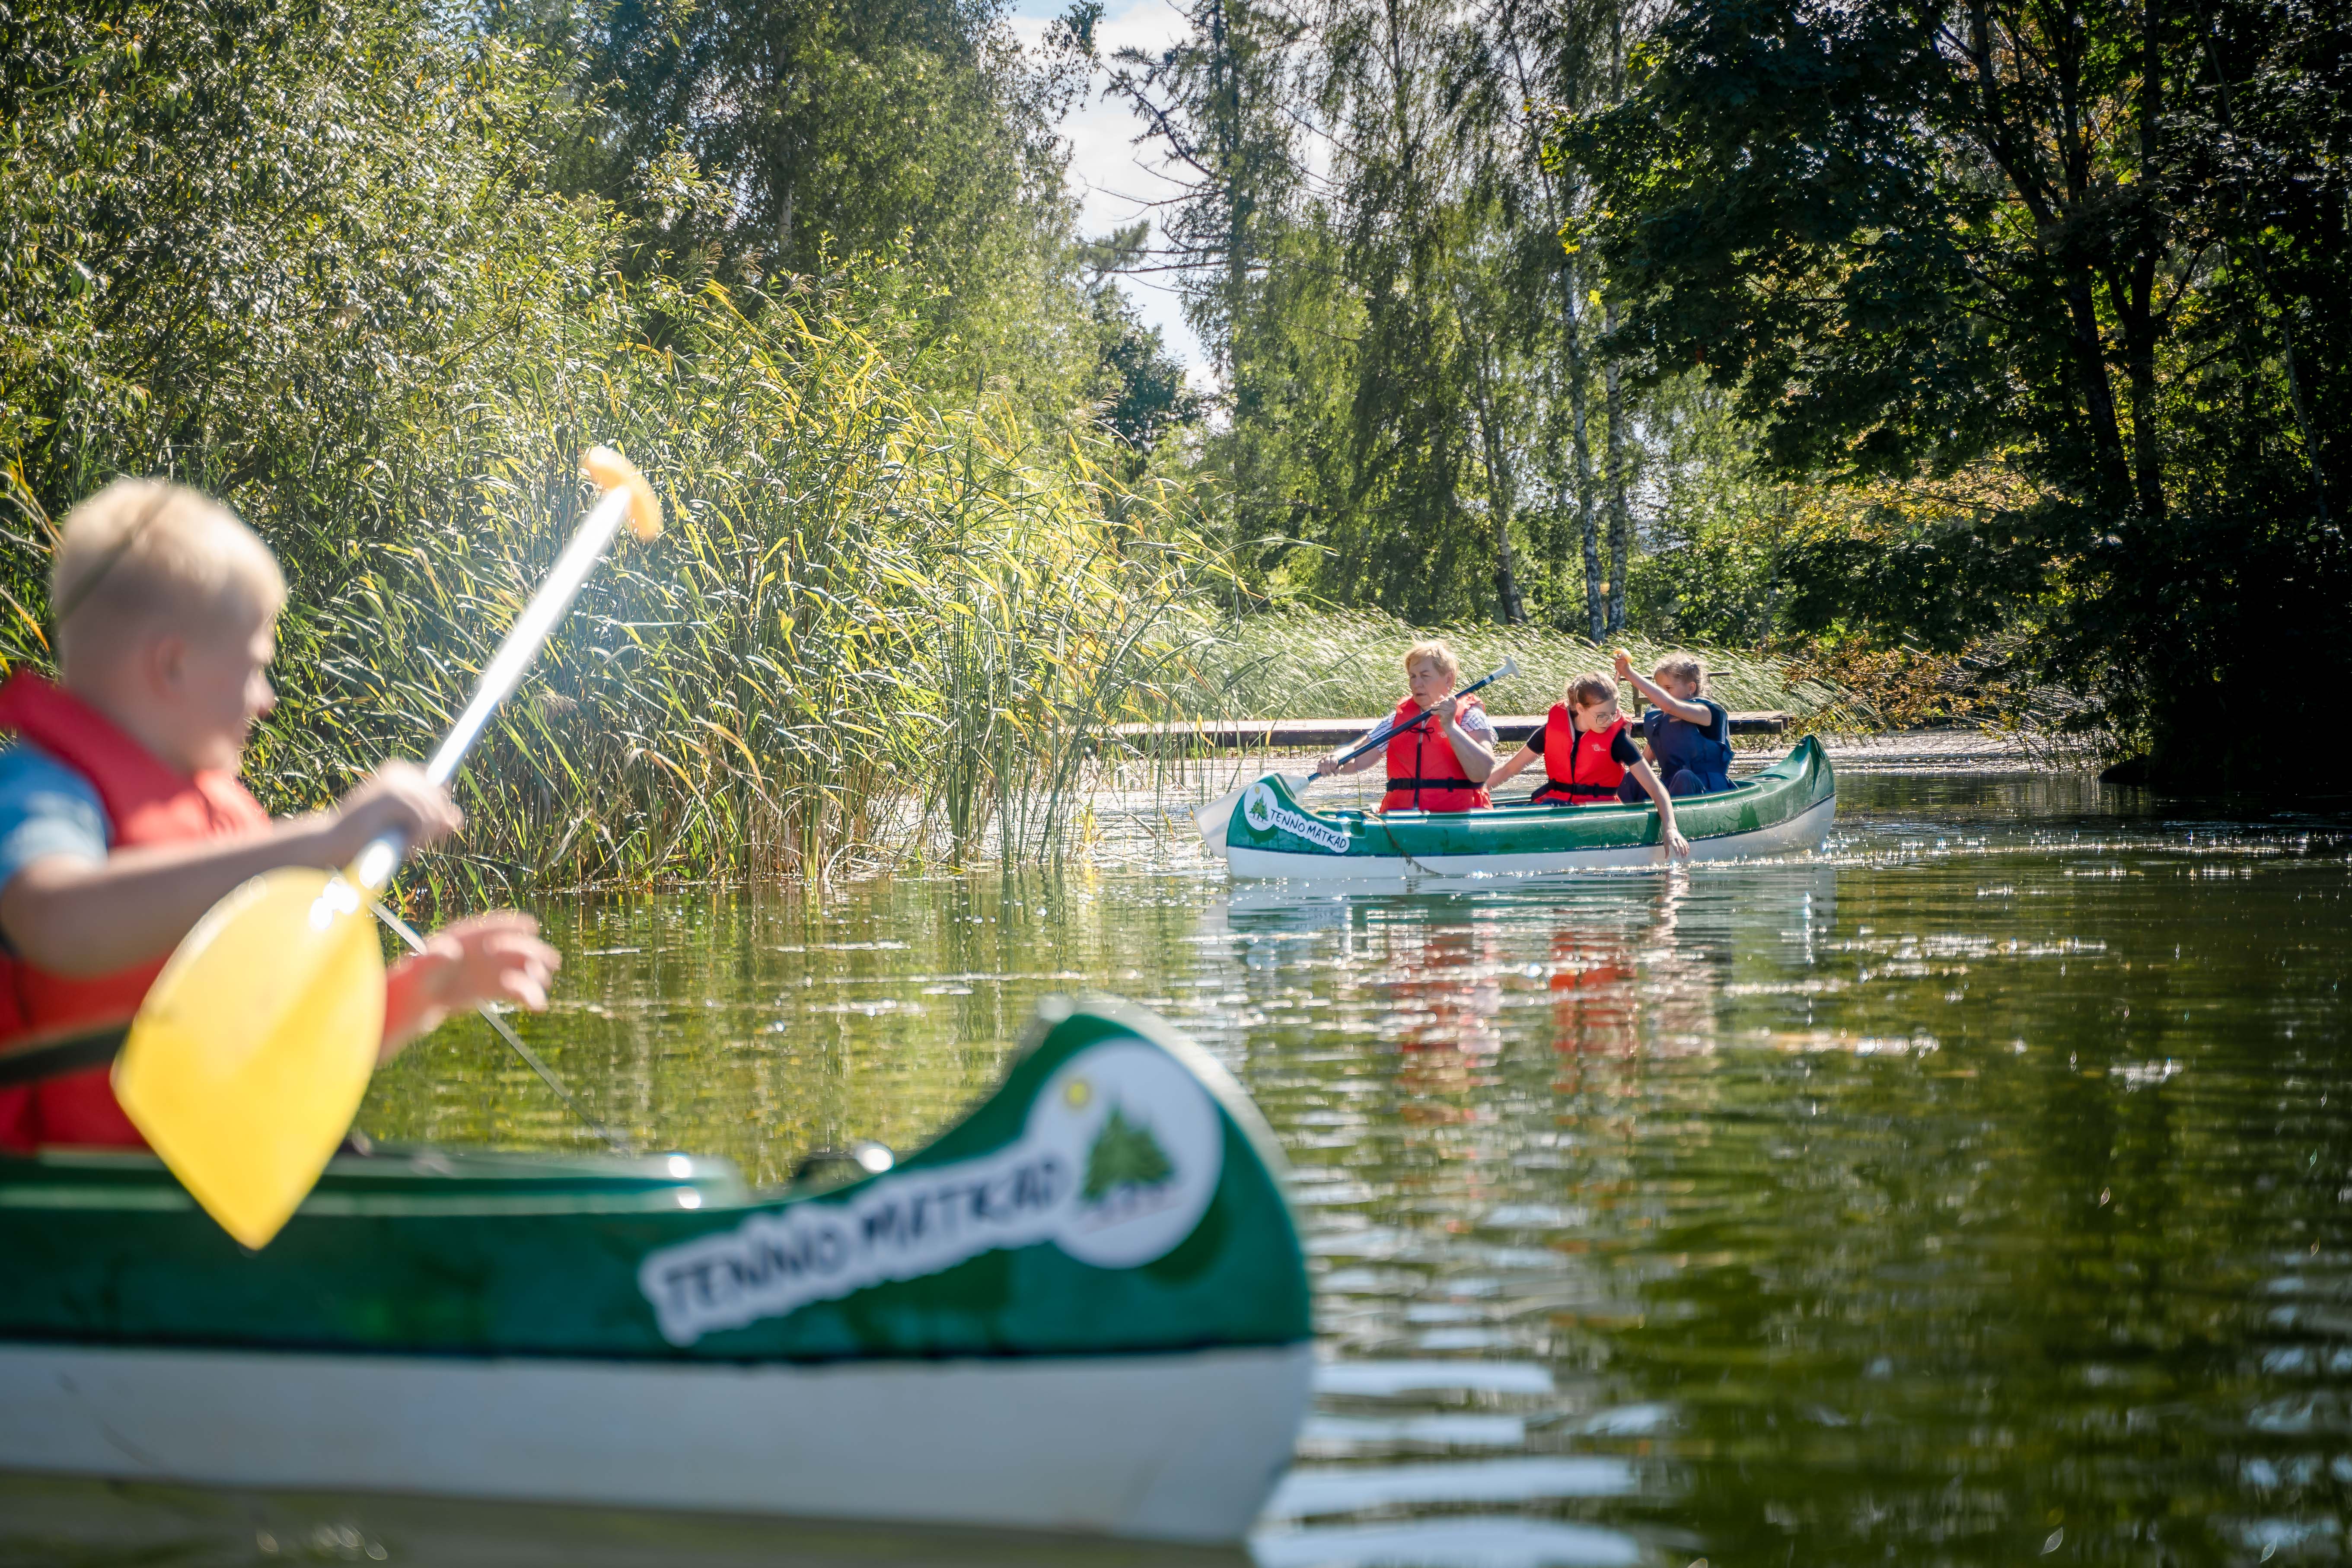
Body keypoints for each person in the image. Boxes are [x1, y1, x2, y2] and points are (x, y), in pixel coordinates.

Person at [0, 478, 561, 1152]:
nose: (266, 701)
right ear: (173, 665)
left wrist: (425, 993)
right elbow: (59, 922)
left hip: (215, 1195)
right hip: (84, 1214)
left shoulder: (223, 821)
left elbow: (276, 1047)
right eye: (255, 668)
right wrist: (324, 837)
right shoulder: (44, 790)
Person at [1487, 672, 1691, 859]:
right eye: (1602, 715)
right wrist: (1478, 791)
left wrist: (1670, 828)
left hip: (1598, 813)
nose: (1608, 721)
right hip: (1556, 807)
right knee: (1503, 814)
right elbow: (1509, 769)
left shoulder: (1618, 740)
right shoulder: (1550, 732)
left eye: (1613, 714)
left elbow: (1656, 790)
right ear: (1580, 708)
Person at [1314, 640, 1497, 812]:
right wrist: (1336, 757)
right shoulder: (1396, 720)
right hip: (1401, 818)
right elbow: (1356, 757)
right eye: (1413, 676)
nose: (1416, 684)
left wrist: (1450, 727)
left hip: (1459, 820)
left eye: (1425, 676)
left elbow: (1482, 772)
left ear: (1449, 680)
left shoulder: (1471, 717)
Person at [1613, 649, 1733, 796]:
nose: (1661, 694)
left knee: (1684, 777)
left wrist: (1629, 674)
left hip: (1707, 790)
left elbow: (1670, 705)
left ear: (1691, 688)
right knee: (1632, 778)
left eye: (1668, 688)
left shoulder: (1705, 713)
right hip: (1671, 789)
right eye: (1659, 689)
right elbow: (1645, 763)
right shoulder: (1660, 720)